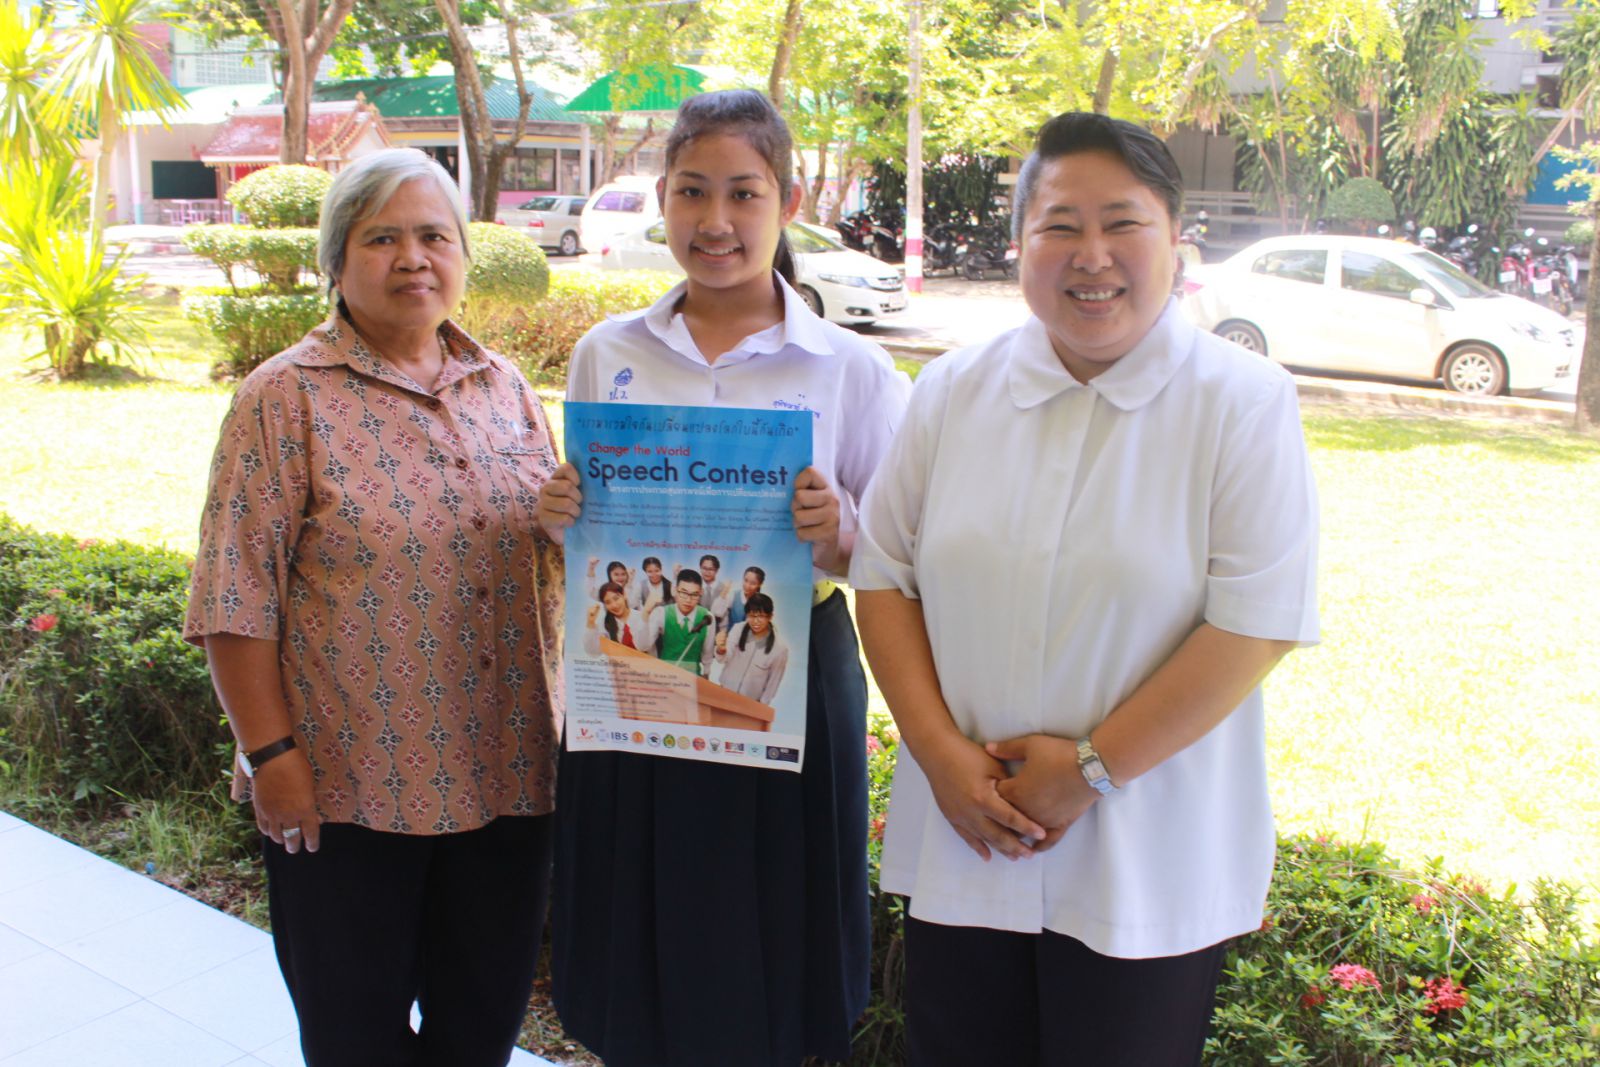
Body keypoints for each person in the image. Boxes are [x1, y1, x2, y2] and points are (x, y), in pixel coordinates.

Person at [851, 112, 1319, 1067]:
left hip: (1145, 859)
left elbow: (1256, 623)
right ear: (1021, 243)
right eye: (1060, 225)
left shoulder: (1241, 401)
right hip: (970, 839)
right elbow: (886, 578)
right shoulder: (953, 391)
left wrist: (1091, 768)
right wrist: (939, 754)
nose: (1091, 255)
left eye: (1123, 223)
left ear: (1176, 241)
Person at [537, 88, 911, 1067]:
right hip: (638, 674)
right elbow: (594, 535)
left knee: (771, 924)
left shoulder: (850, 369)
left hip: (786, 672)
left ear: (788, 201)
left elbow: (899, 555)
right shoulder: (607, 353)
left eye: (743, 193)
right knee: (639, 911)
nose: (715, 220)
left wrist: (840, 530)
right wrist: (562, 513)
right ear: (662, 197)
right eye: (692, 191)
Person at [183, 148, 564, 1067]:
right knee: (354, 1040)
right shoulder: (284, 398)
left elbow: (551, 552)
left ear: (464, 254)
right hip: (348, 789)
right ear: (336, 259)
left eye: (434, 236)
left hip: (508, 775)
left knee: (480, 1031)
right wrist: (271, 757)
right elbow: (233, 597)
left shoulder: (506, 387)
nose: (413, 258)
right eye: (382, 238)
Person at [714, 592, 788, 704]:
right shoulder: (738, 629)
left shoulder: (780, 649)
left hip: (749, 704)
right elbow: (723, 659)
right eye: (752, 616)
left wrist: (761, 706)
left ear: (770, 616)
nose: (756, 621)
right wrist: (721, 649)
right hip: (723, 692)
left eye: (761, 616)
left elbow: (773, 684)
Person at [644, 568, 716, 676]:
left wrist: (706, 674)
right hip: (665, 675)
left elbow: (708, 653)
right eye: (684, 593)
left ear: (701, 592)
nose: (688, 600)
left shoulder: (708, 617)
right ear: (675, 590)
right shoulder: (661, 613)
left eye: (694, 594)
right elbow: (645, 646)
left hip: (693, 676)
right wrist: (645, 612)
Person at [583, 580, 651, 656]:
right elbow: (593, 652)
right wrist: (590, 623)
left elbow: (645, 646)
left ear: (624, 595)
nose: (614, 605)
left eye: (616, 598)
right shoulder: (604, 624)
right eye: (608, 602)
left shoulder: (642, 617)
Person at [723, 564, 766, 633]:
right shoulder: (733, 595)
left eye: (753, 583)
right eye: (746, 580)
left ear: (760, 584)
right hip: (730, 636)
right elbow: (719, 614)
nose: (747, 586)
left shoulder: (762, 603)